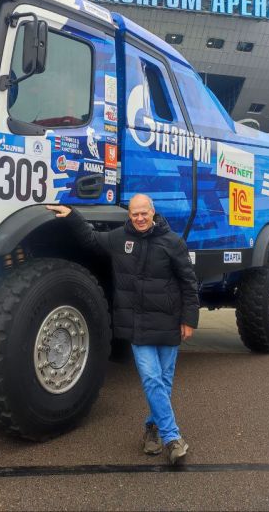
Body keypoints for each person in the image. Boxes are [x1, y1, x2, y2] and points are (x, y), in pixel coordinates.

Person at [47, 194, 199, 465]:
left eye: (144, 213)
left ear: (153, 212)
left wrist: (189, 319)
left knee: (163, 382)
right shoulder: (119, 239)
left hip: (168, 323)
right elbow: (92, 240)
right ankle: (172, 438)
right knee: (152, 379)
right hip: (138, 325)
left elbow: (188, 282)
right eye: (134, 214)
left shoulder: (173, 242)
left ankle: (151, 429)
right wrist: (72, 216)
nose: (139, 218)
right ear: (129, 215)